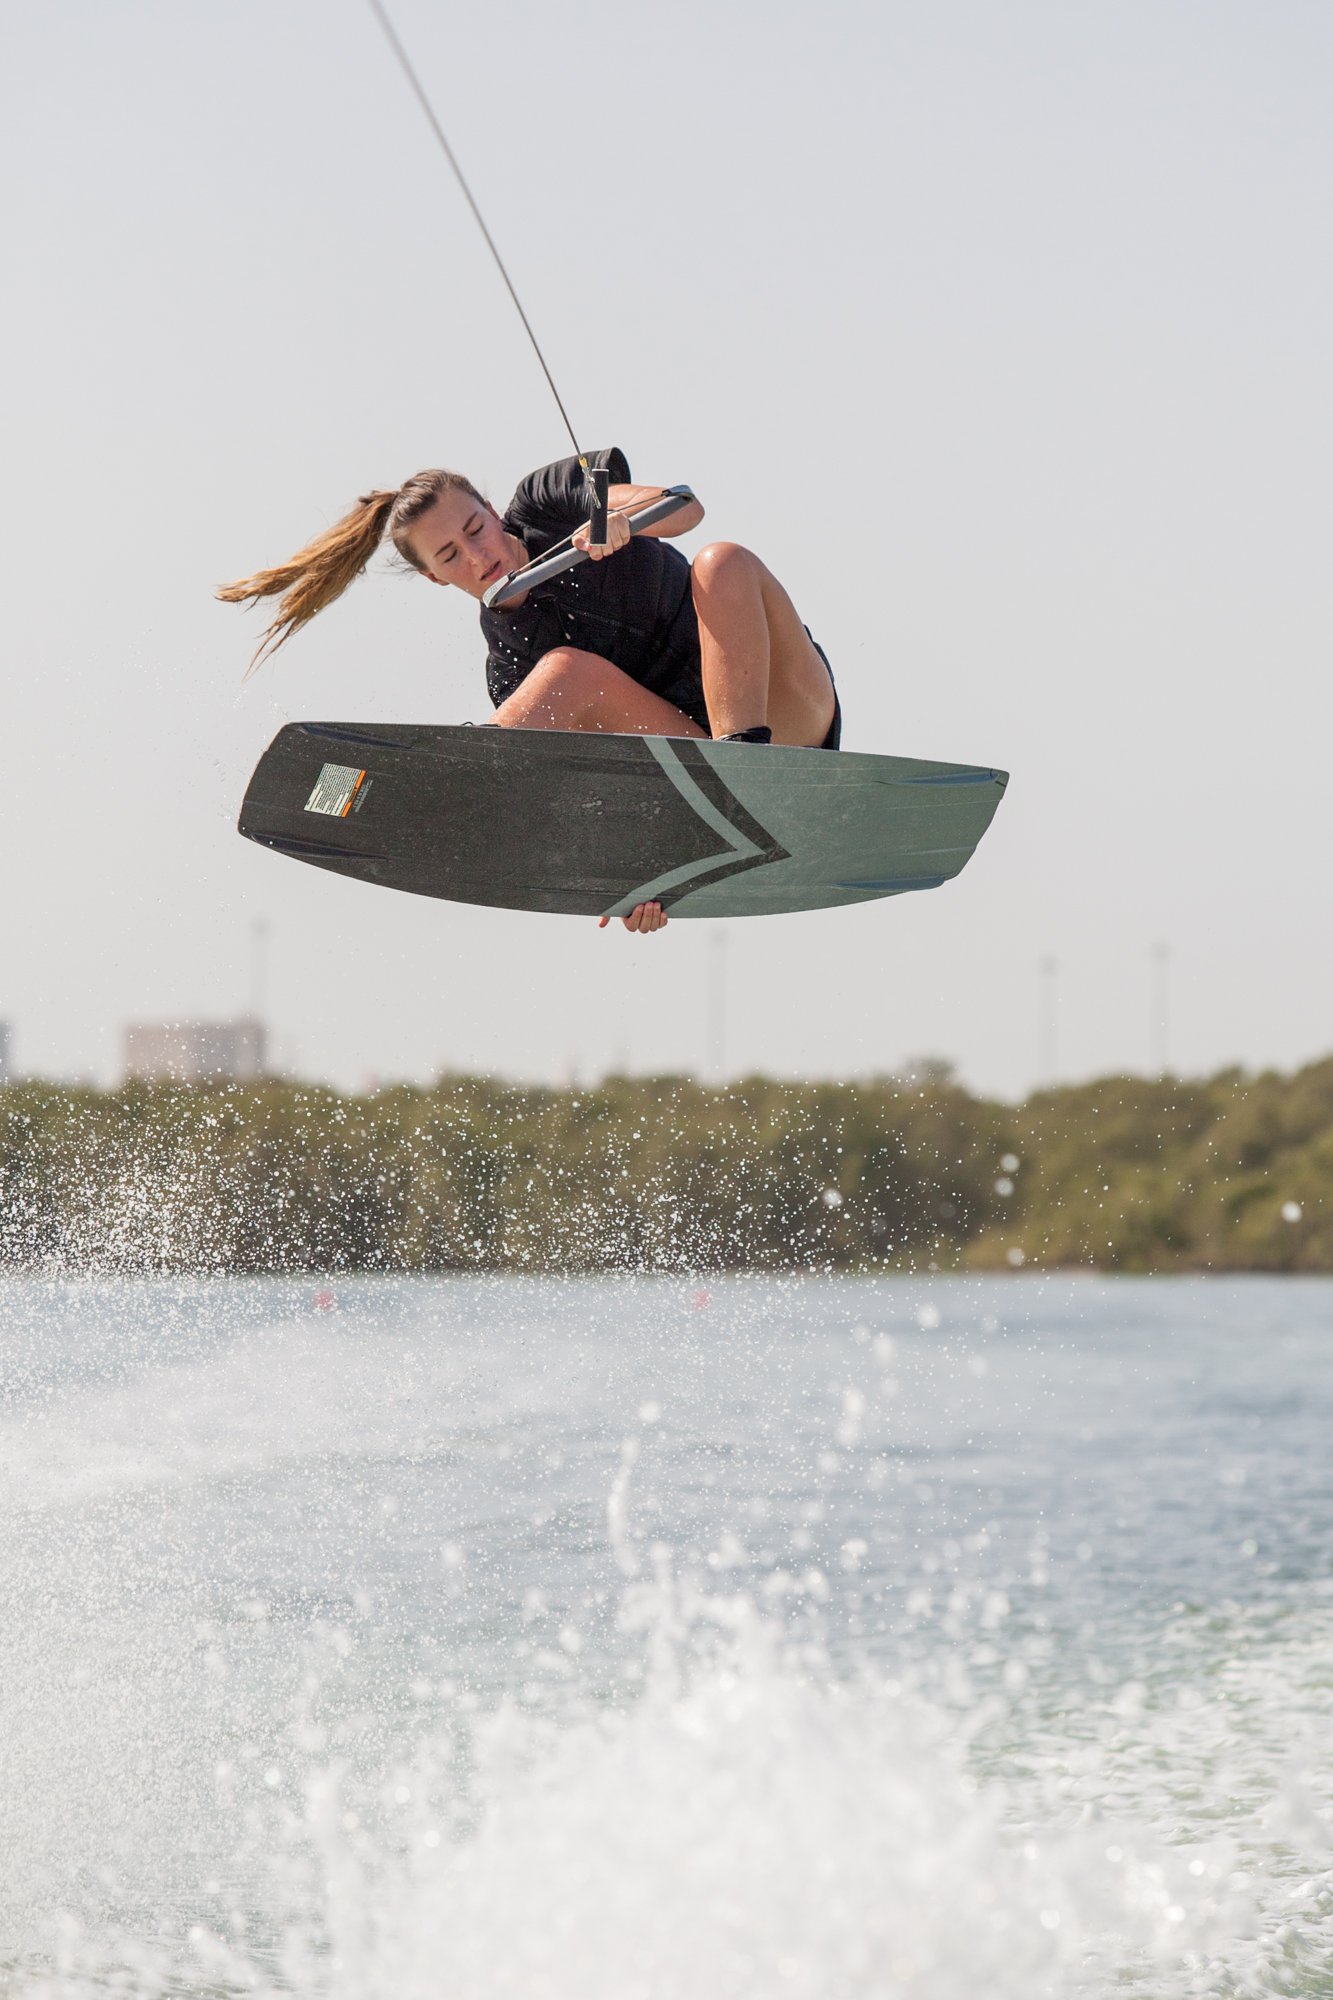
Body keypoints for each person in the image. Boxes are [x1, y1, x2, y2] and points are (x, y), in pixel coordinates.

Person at [218, 447, 840, 934]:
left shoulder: (546, 502)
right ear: (435, 579)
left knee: (720, 560)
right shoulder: (515, 670)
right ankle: (451, 788)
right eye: (451, 555)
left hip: (781, 718)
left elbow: (684, 508)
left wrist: (618, 516)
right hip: (700, 770)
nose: (477, 554)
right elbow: (604, 792)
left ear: (492, 509)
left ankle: (749, 776)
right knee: (569, 673)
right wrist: (637, 877)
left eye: (475, 528)